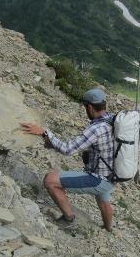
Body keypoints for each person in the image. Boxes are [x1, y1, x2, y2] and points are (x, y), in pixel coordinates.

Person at [21, 88, 115, 231]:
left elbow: (67, 149)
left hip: (98, 178)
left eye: (85, 107)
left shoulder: (96, 129)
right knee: (103, 201)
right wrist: (52, 144)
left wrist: (44, 132)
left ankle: (69, 219)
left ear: (89, 106)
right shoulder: (112, 120)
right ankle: (108, 229)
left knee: (50, 180)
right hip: (112, 175)